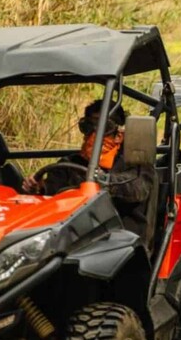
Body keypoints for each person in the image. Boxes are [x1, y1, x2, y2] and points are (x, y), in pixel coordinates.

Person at [23, 100, 155, 241]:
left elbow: (138, 189)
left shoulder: (135, 165)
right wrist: (39, 189)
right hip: (72, 237)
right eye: (88, 127)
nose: (94, 134)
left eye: (104, 128)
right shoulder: (70, 164)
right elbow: (52, 193)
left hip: (121, 240)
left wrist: (103, 180)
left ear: (118, 135)